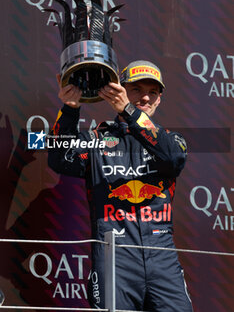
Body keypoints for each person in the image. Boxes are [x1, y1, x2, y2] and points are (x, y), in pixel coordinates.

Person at [48, 60, 193, 311]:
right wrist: (70, 108)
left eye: (153, 92)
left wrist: (129, 110)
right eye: (136, 90)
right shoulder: (97, 139)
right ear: (121, 89)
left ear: (159, 100)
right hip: (114, 257)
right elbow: (59, 158)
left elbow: (172, 158)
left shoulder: (172, 139)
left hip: (162, 256)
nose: (145, 97)